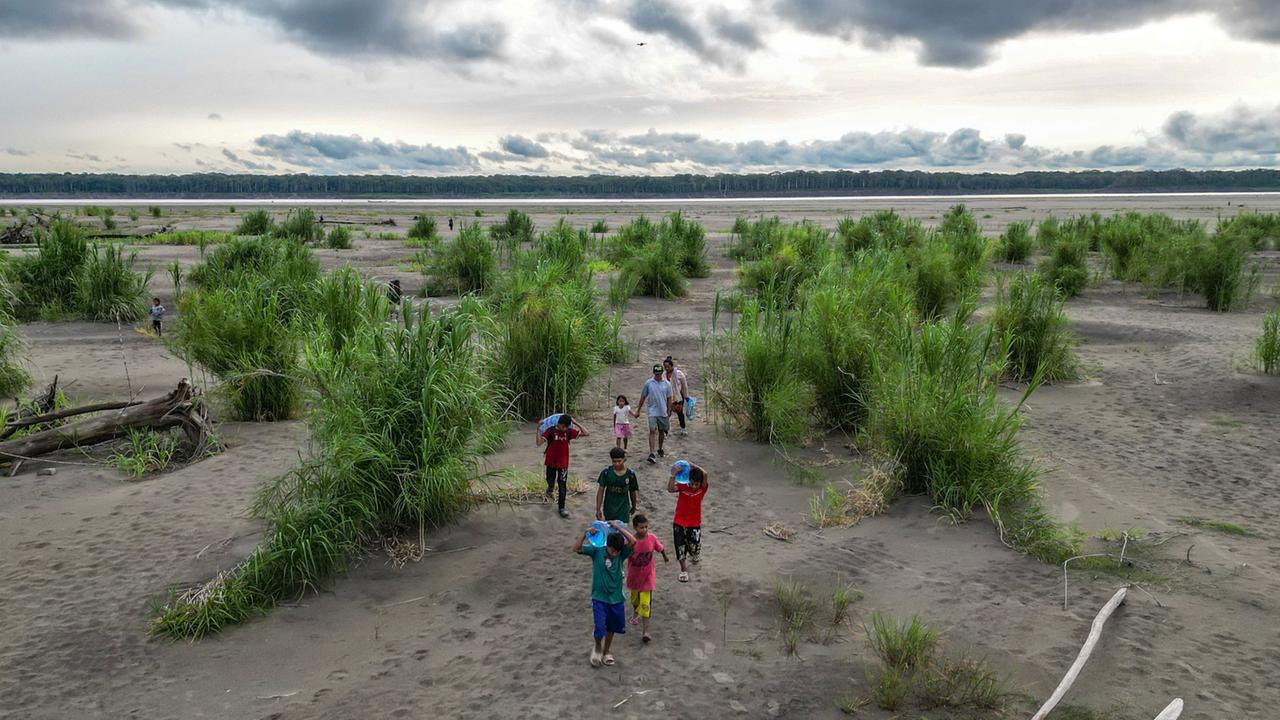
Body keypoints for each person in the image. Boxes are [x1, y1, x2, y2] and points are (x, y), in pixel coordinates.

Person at [575, 519, 636, 667]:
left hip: (616, 598)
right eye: (612, 550)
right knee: (600, 627)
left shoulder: (621, 555)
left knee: (612, 627)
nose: (614, 553)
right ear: (607, 546)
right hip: (599, 598)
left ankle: (607, 650)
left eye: (617, 551)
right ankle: (597, 648)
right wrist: (585, 534)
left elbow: (633, 541)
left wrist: (617, 528)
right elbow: (577, 549)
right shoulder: (596, 551)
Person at [625, 513, 668, 643]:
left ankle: (646, 631)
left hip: (648, 577)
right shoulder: (631, 542)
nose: (644, 530)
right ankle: (635, 613)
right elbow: (623, 554)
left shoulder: (652, 538)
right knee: (635, 600)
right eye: (641, 527)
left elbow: (660, 548)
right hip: (634, 576)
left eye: (646, 527)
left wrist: (665, 556)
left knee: (645, 604)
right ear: (635, 527)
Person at [537, 414, 588, 518]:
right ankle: (550, 488)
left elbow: (586, 433)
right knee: (550, 479)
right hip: (551, 461)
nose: (563, 429)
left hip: (563, 463)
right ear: (558, 423)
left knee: (562, 485)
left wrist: (575, 422)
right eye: (561, 426)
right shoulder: (551, 430)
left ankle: (561, 508)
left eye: (565, 427)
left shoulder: (568, 432)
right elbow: (538, 443)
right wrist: (538, 429)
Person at [666, 461, 709, 583]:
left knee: (694, 546)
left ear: (700, 483)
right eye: (692, 483)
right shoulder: (682, 486)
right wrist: (673, 476)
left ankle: (695, 555)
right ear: (688, 480)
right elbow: (670, 489)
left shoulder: (702, 489)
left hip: (694, 523)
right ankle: (683, 569)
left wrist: (690, 465)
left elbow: (705, 473)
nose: (694, 486)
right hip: (679, 521)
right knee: (680, 546)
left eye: (697, 484)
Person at [637, 364, 672, 465]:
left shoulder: (667, 384)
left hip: (663, 411)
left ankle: (660, 448)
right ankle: (652, 453)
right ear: (654, 373)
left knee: (662, 431)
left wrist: (669, 410)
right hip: (652, 411)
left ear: (662, 373)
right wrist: (639, 409)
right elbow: (643, 396)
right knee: (652, 430)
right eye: (656, 374)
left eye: (659, 374)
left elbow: (669, 398)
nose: (658, 375)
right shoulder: (649, 383)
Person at [596, 447, 639, 523]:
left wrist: (634, 506)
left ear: (624, 459)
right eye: (614, 461)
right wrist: (598, 509)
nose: (617, 464)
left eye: (619, 461)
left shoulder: (630, 474)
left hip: (623, 508)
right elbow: (600, 491)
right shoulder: (606, 473)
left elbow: (633, 491)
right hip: (609, 508)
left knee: (622, 530)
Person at [663, 357, 689, 436]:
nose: (666, 368)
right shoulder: (663, 375)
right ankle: (665, 429)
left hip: (678, 396)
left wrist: (686, 396)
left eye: (668, 366)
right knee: (666, 413)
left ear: (672, 366)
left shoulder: (679, 373)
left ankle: (683, 428)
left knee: (679, 412)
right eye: (665, 367)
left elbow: (684, 385)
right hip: (668, 397)